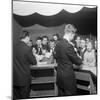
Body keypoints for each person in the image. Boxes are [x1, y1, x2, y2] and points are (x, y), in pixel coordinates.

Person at [54, 24, 82, 96]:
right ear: (70, 33)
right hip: (68, 79)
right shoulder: (69, 46)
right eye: (73, 35)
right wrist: (75, 51)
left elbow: (56, 56)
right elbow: (79, 62)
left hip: (60, 76)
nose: (73, 38)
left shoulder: (57, 44)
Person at [13, 31, 37, 99]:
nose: (29, 39)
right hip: (24, 79)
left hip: (14, 79)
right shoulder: (27, 48)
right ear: (26, 37)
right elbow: (34, 62)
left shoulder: (13, 46)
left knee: (16, 97)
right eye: (29, 37)